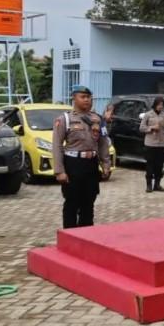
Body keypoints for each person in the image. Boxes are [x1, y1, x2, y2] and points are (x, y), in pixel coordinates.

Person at [53, 85, 112, 229]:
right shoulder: (65, 119)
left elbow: (103, 143)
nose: (87, 100)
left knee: (89, 202)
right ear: (74, 98)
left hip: (91, 164)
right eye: (83, 97)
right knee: (72, 203)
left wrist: (106, 164)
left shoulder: (97, 119)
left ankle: (86, 236)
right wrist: (59, 171)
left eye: (89, 97)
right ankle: (70, 236)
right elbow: (57, 146)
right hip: (73, 164)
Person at [140, 96, 164, 193]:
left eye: (162, 105)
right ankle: (149, 185)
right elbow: (142, 127)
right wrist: (151, 128)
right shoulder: (148, 115)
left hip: (161, 144)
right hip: (150, 144)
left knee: (159, 166)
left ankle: (157, 184)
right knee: (150, 165)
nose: (160, 107)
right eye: (159, 105)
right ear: (155, 105)